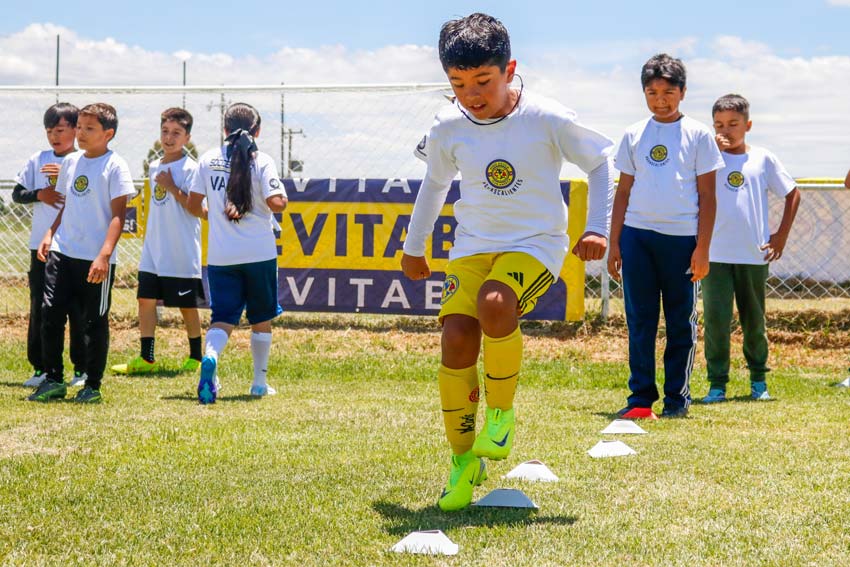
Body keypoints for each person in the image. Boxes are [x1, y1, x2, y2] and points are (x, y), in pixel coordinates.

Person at [402, 13, 614, 511]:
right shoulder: (448, 125)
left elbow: (603, 162)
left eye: (483, 81)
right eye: (457, 84)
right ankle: (462, 462)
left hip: (537, 243)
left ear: (509, 69)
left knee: (497, 303)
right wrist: (415, 246)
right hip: (473, 246)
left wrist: (598, 227)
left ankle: (501, 415)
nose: (471, 94)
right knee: (455, 338)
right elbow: (434, 185)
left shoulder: (547, 117)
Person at [608, 54, 725, 419]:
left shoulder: (699, 135)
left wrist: (702, 248)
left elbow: (708, 196)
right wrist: (614, 243)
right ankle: (640, 399)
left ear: (683, 92)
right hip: (637, 237)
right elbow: (623, 192)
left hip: (681, 241)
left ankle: (677, 400)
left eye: (668, 92)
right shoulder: (633, 134)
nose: (660, 99)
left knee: (680, 323)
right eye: (652, 92)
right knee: (640, 320)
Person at [29, 103, 136, 403]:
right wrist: (50, 234)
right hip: (63, 251)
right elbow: (66, 206)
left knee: (93, 321)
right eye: (79, 127)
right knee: (49, 313)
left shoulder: (116, 166)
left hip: (94, 258)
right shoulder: (71, 162)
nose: (81, 133)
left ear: (108, 134)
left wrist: (103, 255)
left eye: (90, 128)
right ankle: (53, 379)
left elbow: (118, 215)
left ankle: (92, 384)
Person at [699, 94, 801, 403]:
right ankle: (717, 384)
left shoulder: (763, 158)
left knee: (754, 320)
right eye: (718, 124)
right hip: (714, 254)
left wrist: (781, 235)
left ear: (748, 125)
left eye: (733, 124)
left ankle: (759, 381)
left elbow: (793, 193)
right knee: (716, 321)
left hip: (753, 254)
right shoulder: (705, 158)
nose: (725, 131)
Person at [187, 103, 287, 404]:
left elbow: (193, 204)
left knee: (223, 317)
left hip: (221, 255)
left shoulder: (208, 159)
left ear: (224, 129)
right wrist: (280, 197)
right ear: (257, 131)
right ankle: (259, 383)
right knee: (261, 317)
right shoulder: (263, 160)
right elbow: (277, 203)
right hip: (259, 253)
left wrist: (215, 216)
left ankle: (212, 356)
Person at [111, 108, 205, 376]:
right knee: (145, 299)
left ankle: (196, 357)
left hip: (181, 248)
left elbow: (198, 210)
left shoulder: (192, 169)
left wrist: (172, 186)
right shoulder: (154, 166)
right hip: (154, 247)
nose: (169, 137)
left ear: (187, 137)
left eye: (176, 133)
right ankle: (147, 357)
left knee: (187, 306)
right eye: (165, 131)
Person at [12, 103, 87, 388]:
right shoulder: (38, 160)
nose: (54, 136)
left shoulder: (84, 161)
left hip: (76, 246)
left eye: (60, 130)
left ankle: (80, 369)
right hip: (41, 246)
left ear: (75, 130)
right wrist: (40, 194)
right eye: (49, 131)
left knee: (78, 309)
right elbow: (18, 194)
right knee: (41, 308)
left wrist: (65, 177)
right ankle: (42, 367)